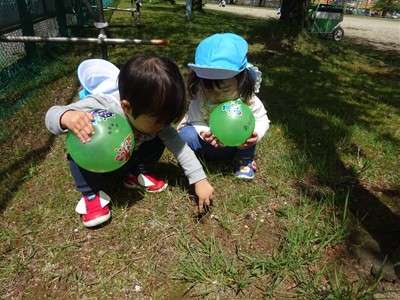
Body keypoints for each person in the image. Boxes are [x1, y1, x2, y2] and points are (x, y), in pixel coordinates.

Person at [45, 54, 215, 228]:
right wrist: (67, 117)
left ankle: (135, 175)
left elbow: (180, 147)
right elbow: (51, 114)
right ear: (126, 107)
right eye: (157, 120)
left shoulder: (155, 119)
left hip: (125, 155)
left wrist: (199, 180)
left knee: (160, 139)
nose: (163, 125)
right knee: (77, 154)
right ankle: (91, 196)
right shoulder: (104, 106)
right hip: (99, 161)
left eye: (167, 121)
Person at [177, 33, 270, 180]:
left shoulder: (247, 99)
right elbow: (195, 120)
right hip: (208, 145)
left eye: (225, 89)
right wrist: (205, 133)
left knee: (249, 130)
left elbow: (262, 119)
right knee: (185, 135)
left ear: (240, 81)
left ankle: (244, 161)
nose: (217, 95)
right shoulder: (200, 99)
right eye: (209, 89)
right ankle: (192, 161)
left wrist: (256, 135)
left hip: (237, 146)